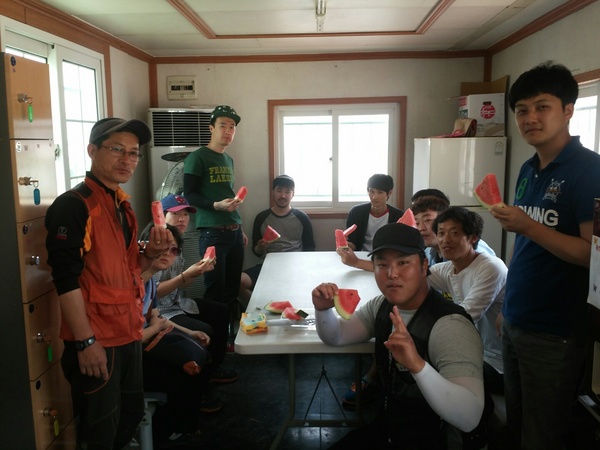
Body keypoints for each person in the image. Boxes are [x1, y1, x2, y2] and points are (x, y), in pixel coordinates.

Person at [45, 117, 173, 449]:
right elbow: (65, 279)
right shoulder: (74, 206)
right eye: (117, 149)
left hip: (128, 330)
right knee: (100, 432)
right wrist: (85, 343)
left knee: (129, 416)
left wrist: (151, 254)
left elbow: (132, 271)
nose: (127, 159)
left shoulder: (121, 205)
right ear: (92, 151)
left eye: (133, 153)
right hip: (97, 339)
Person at [490, 62, 600, 448]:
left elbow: (593, 256)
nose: (530, 118)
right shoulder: (528, 168)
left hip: (557, 329)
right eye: (521, 110)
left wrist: (528, 226)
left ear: (568, 110)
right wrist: (508, 303)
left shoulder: (590, 171)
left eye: (542, 107)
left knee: (542, 434)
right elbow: (525, 247)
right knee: (516, 422)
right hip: (517, 317)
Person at [312, 223, 485, 448]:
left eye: (403, 262)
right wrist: (322, 310)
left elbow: (470, 418)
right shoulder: (382, 305)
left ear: (424, 266)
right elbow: (337, 336)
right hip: (389, 430)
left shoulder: (451, 326)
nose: (392, 274)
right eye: (382, 264)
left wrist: (417, 366)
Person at [140, 194, 238, 388]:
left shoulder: (178, 242)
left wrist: (198, 271)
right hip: (164, 311)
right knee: (206, 329)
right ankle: (204, 377)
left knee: (220, 311)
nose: (182, 219)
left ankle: (213, 368)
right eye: (176, 214)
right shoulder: (153, 247)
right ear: (162, 216)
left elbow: (182, 286)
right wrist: (184, 276)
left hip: (178, 303)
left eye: (186, 214)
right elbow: (152, 293)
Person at [428, 207, 506, 426]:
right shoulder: (449, 268)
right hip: (472, 352)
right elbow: (414, 276)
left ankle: (475, 431)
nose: (445, 240)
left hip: (497, 363)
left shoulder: (490, 267)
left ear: (473, 238)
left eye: (454, 233)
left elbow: (465, 317)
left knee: (431, 368)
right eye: (441, 233)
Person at [141, 224, 211, 448]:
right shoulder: (131, 281)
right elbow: (130, 337)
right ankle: (165, 433)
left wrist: (190, 332)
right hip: (130, 356)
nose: (166, 253)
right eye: (160, 245)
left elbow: (157, 318)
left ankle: (181, 427)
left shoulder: (150, 282)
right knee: (182, 378)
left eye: (173, 250)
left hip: (145, 342)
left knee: (195, 360)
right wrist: (155, 328)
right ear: (144, 245)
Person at [183, 105, 247, 330]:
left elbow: (226, 194)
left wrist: (239, 227)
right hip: (212, 233)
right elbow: (189, 194)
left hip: (234, 232)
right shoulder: (197, 157)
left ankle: (228, 338)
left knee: (232, 289)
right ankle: (213, 341)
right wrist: (215, 205)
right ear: (211, 128)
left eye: (232, 127)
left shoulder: (228, 159)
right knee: (215, 291)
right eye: (223, 126)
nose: (228, 131)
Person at [239, 175, 315, 305]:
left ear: (293, 194)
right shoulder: (261, 217)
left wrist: (302, 267)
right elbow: (255, 251)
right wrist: (260, 247)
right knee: (239, 282)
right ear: (273, 192)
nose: (283, 196)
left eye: (287, 192)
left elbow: (310, 248)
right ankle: (262, 309)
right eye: (279, 191)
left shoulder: (302, 217)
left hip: (296, 267)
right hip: (267, 266)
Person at [346, 173, 403, 252]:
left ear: (389, 192)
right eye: (372, 191)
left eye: (380, 192)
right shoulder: (356, 212)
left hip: (386, 256)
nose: (374, 197)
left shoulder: (398, 216)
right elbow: (353, 242)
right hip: (361, 254)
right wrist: (345, 245)